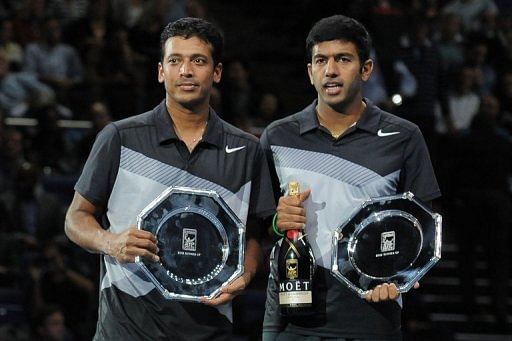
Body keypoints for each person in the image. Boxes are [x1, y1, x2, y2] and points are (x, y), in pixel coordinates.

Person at [64, 17, 275, 340]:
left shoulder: (247, 150)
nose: (186, 71)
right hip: (126, 330)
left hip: (209, 328)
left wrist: (245, 274)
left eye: (198, 61)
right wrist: (111, 242)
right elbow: (76, 218)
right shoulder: (120, 137)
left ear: (216, 73)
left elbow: (256, 234)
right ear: (161, 71)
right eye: (175, 61)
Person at [261, 15, 441, 340]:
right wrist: (277, 221)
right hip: (294, 316)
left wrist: (398, 276)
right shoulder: (277, 136)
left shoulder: (404, 136)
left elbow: (421, 229)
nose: (330, 70)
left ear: (366, 69)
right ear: (310, 72)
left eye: (343, 59)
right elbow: (258, 224)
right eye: (321, 60)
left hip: (374, 315)